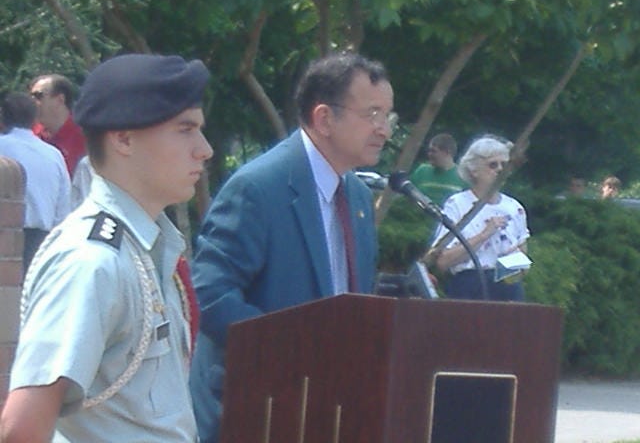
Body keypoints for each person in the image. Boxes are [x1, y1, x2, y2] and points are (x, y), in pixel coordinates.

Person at [0, 54, 213, 442]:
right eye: (185, 130)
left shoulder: (145, 248)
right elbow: (21, 430)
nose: (204, 149)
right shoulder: (91, 260)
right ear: (124, 138)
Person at [189, 52, 395, 442]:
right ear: (324, 118)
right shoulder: (258, 187)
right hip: (254, 406)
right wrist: (297, 353)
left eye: (388, 116)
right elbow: (211, 296)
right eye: (372, 114)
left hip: (326, 409)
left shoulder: (357, 196)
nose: (383, 129)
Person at [429, 134, 530, 301]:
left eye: (504, 165)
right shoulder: (457, 204)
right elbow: (442, 262)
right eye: (493, 165)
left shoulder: (515, 207)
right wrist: (484, 235)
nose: (499, 170)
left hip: (508, 288)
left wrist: (516, 262)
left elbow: (523, 258)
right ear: (473, 170)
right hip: (469, 287)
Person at [0, 92, 71, 272]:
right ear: (34, 119)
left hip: (5, 237)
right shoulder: (54, 155)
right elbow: (63, 207)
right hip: (43, 243)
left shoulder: (2, 147)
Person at [30, 73, 86, 176]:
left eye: (38, 96)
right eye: (31, 97)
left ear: (60, 99)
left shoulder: (85, 138)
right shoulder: (30, 134)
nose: (32, 102)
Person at [410, 132, 467, 205]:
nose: (429, 154)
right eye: (429, 151)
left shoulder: (463, 176)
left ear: (447, 152)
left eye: (433, 151)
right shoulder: (422, 170)